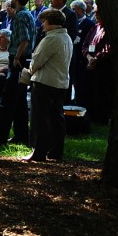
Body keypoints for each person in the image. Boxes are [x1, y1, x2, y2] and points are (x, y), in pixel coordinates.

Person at [0, 0, 36, 147]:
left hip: (18, 61)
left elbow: (25, 40)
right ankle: (21, 135)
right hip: (24, 60)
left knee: (6, 101)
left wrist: (17, 57)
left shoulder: (21, 16)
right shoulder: (27, 14)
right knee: (19, 101)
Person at [24, 9, 73, 162]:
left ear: (52, 23)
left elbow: (37, 61)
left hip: (45, 82)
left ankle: (39, 152)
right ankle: (55, 151)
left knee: (41, 119)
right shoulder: (66, 37)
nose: (42, 25)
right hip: (61, 83)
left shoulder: (51, 39)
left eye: (44, 22)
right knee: (56, 118)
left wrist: (28, 72)